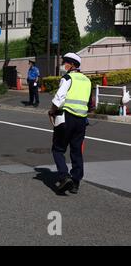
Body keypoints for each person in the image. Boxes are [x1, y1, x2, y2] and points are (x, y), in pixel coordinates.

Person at [48, 53, 92, 194]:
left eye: (65, 62)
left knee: (58, 149)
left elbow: (59, 98)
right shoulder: (87, 80)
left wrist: (51, 111)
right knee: (76, 151)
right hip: (81, 121)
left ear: (72, 65)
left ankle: (64, 176)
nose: (63, 65)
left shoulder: (67, 78)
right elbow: (90, 104)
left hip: (66, 117)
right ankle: (75, 182)